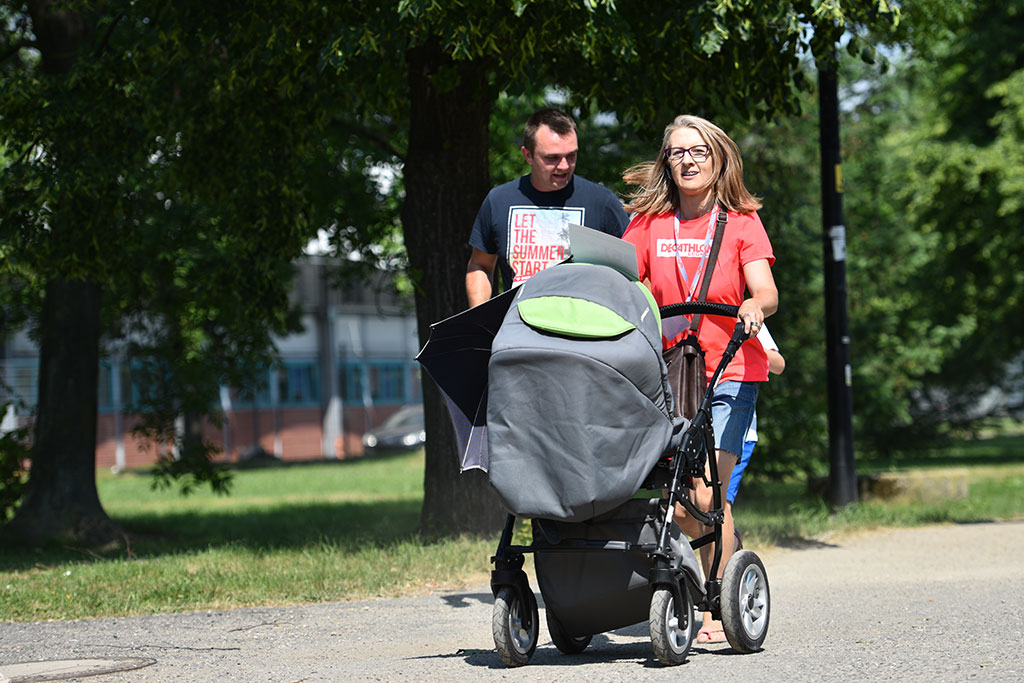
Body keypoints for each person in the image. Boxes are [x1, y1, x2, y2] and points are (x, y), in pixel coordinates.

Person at [621, 114, 778, 645]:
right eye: (677, 153)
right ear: (666, 161)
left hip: (731, 367)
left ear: (717, 159)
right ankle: (703, 569)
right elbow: (626, 284)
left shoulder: (741, 221)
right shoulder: (649, 224)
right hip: (665, 370)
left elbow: (766, 290)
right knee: (678, 493)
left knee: (707, 494)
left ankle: (715, 604)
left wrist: (754, 305)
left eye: (698, 152)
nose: (687, 161)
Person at [465, 108, 629, 307]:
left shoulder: (602, 202)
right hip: (517, 330)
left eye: (571, 156)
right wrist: (479, 320)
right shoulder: (499, 200)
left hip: (583, 332)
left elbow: (631, 274)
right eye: (552, 158)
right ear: (528, 155)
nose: (564, 166)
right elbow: (480, 264)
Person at [727, 325, 785, 516]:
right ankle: (731, 541)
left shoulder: (745, 314)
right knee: (683, 510)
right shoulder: (683, 306)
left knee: (718, 505)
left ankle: (730, 543)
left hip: (737, 432)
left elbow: (778, 364)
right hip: (690, 427)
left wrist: (743, 346)